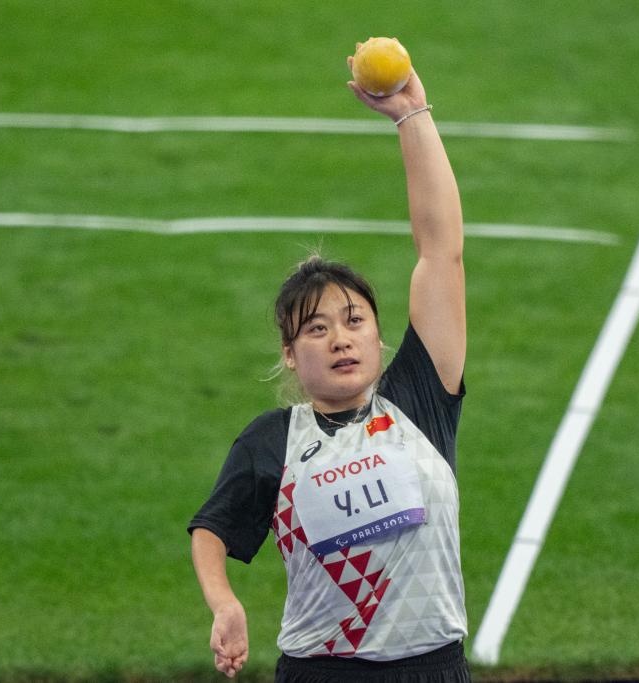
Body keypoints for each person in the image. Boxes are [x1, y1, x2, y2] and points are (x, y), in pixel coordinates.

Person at [187, 52, 470, 683]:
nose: (340, 339)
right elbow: (213, 529)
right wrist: (224, 602)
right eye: (316, 329)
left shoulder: (420, 400)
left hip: (434, 669)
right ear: (290, 354)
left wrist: (412, 116)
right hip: (320, 671)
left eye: (354, 320)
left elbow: (441, 251)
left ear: (377, 334)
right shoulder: (273, 441)